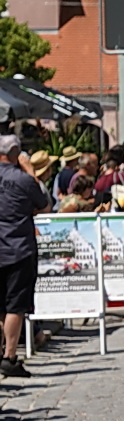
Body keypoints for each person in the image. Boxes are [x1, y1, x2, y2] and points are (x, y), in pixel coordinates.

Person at [0, 135, 51, 378]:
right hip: (18, 248)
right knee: (15, 306)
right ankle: (10, 356)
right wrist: (30, 171)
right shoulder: (22, 179)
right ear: (15, 153)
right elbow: (44, 204)